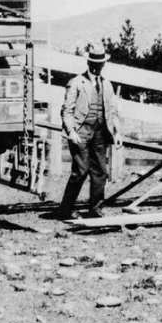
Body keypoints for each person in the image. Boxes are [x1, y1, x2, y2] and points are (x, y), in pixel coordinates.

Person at [55, 47, 123, 219]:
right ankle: (65, 210)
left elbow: (113, 111)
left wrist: (117, 133)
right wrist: (71, 131)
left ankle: (96, 210)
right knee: (81, 171)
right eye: (94, 63)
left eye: (100, 64)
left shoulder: (107, 85)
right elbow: (66, 111)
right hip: (81, 132)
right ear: (88, 62)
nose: (97, 67)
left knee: (100, 171)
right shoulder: (77, 82)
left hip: (100, 132)